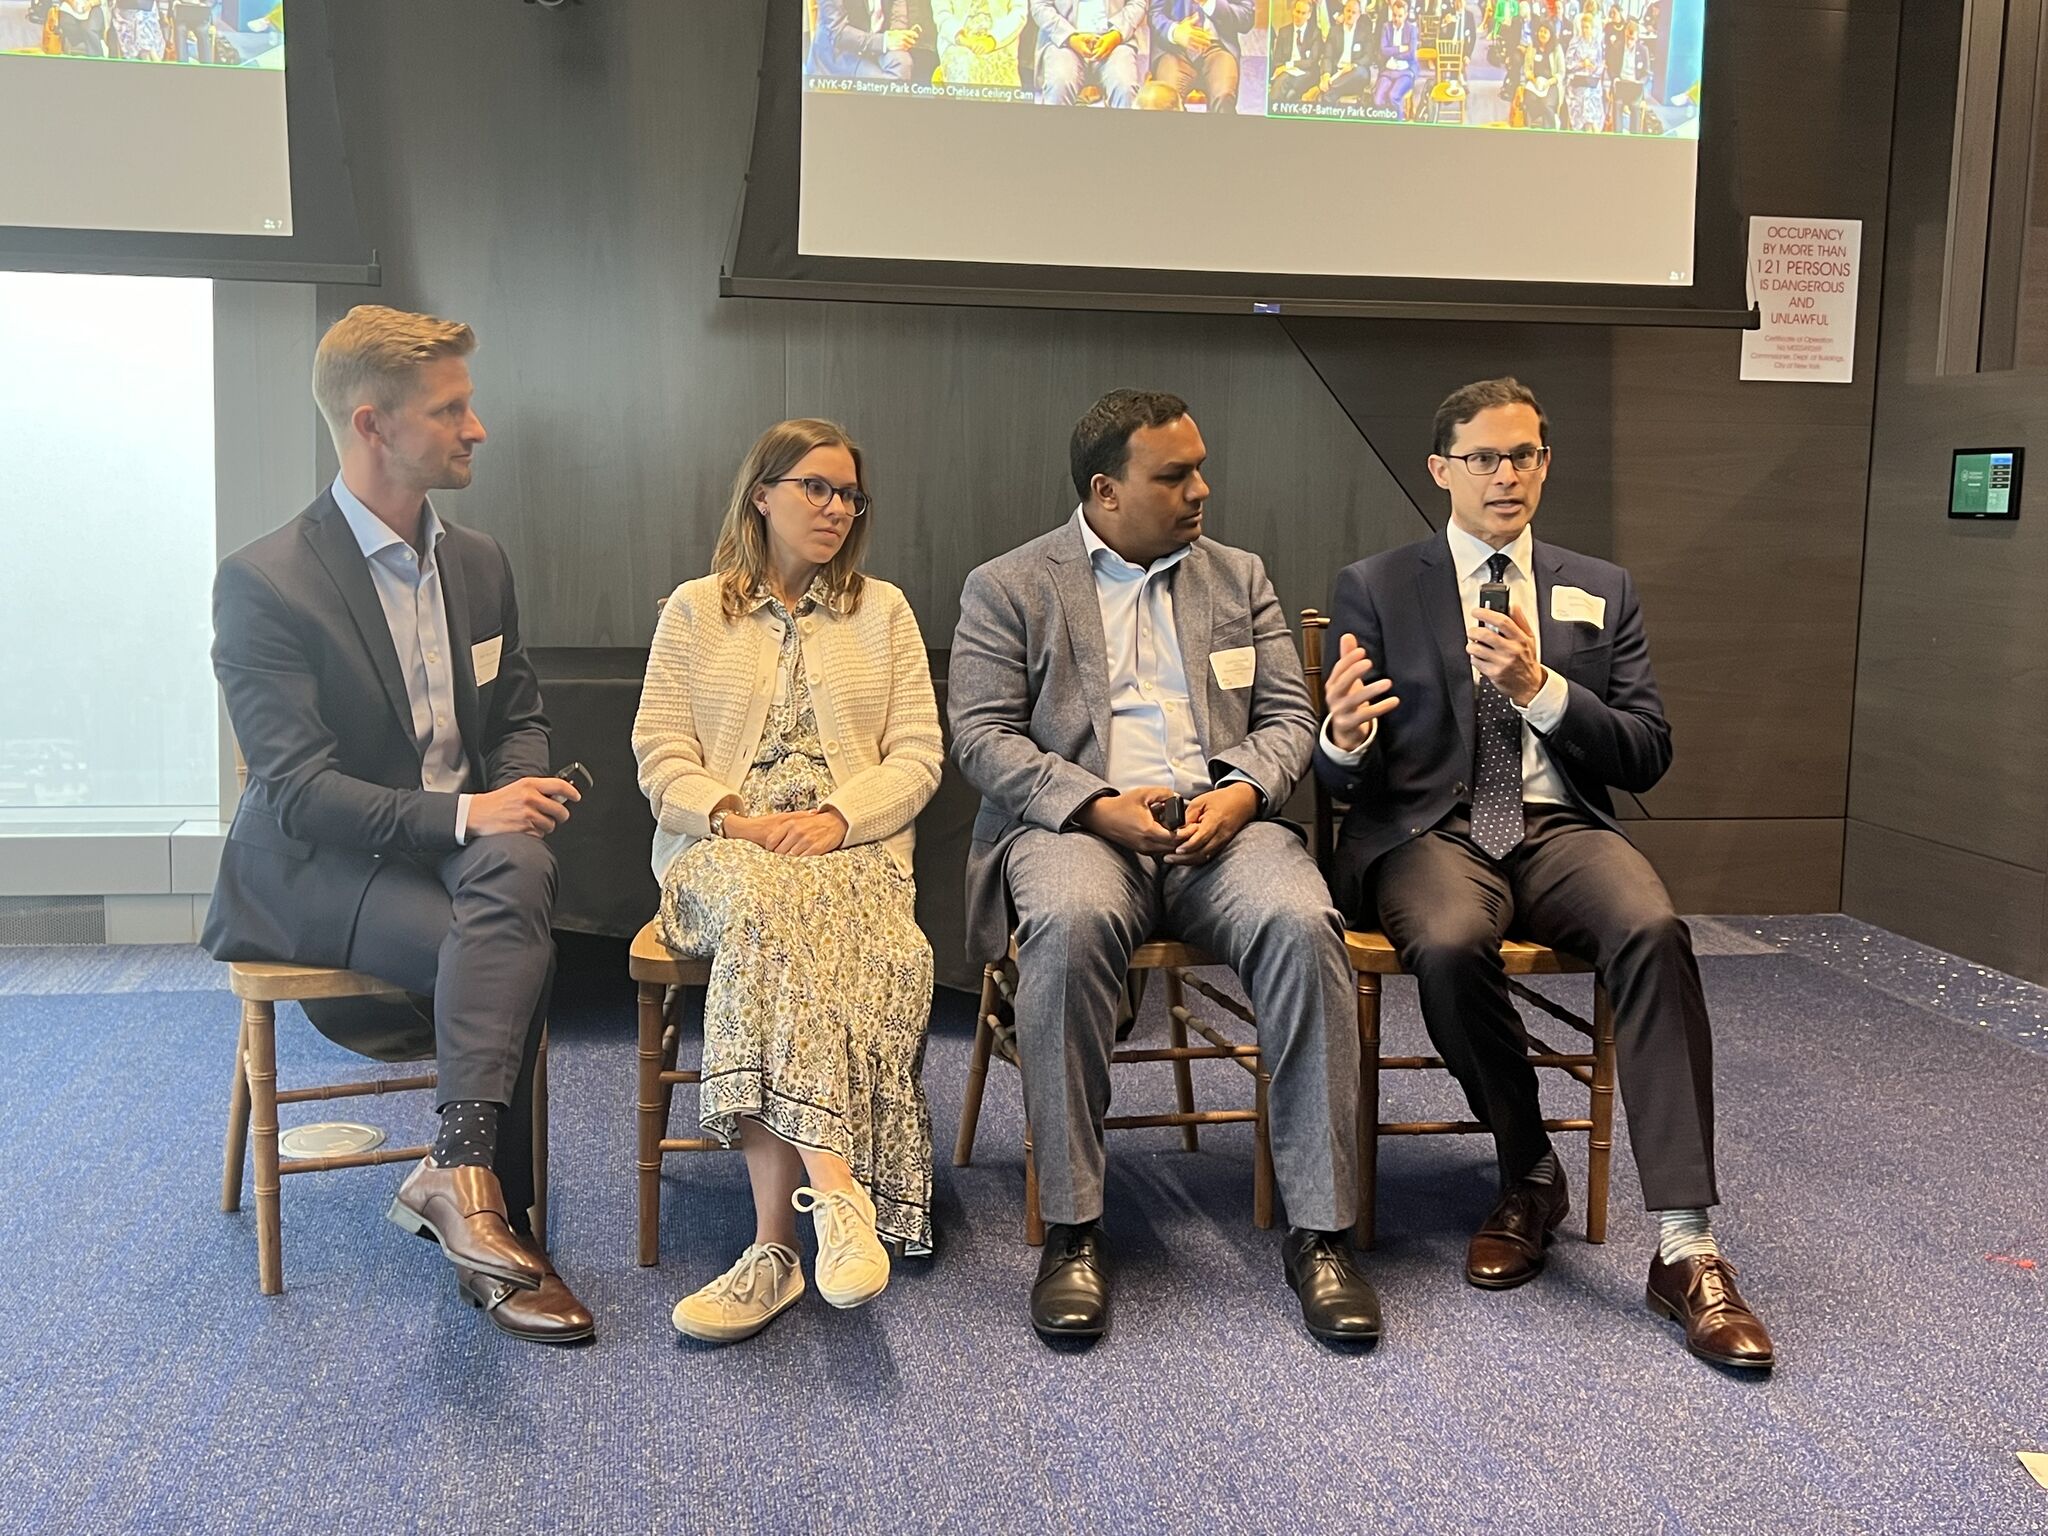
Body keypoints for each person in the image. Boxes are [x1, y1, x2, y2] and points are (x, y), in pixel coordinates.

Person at [1313, 378, 1775, 1371]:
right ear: (1440, 470)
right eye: (1482, 457)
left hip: (1555, 824)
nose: (1505, 475)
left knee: (1652, 929)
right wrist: (1340, 741)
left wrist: (1543, 690)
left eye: (1523, 454)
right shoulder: (1377, 583)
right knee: (1444, 941)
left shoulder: (1596, 587)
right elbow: (1335, 768)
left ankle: (1685, 1247)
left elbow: (1645, 754)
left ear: (1544, 465)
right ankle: (1526, 1168)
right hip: (1428, 830)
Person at [949, 389, 1379, 1349]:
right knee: (1064, 929)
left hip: (1219, 826)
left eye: (1200, 468)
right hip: (1079, 825)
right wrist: (1098, 805)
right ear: (1105, 491)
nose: (1201, 490)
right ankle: (1073, 1229)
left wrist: (1242, 793)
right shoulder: (1011, 584)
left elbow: (1287, 720)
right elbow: (980, 739)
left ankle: (1321, 1232)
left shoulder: (1240, 577)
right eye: (1174, 475)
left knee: (1306, 926)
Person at [203, 306, 593, 1345]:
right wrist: (476, 814)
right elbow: (296, 791)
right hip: (319, 863)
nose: (479, 429)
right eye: (453, 409)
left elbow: (516, 715)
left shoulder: (477, 562)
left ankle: (460, 1186)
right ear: (372, 425)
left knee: (516, 879)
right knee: (510, 946)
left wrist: (514, 804)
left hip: (457, 856)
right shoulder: (265, 581)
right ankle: (492, 1219)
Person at [634, 420, 944, 1344]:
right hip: (720, 850)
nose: (838, 509)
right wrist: (738, 817)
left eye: (851, 495)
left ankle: (772, 1255)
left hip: (851, 851)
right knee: (770, 906)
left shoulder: (883, 611)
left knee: (793, 926)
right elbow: (660, 754)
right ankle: (837, 1192)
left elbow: (920, 755)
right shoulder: (694, 610)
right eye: (817, 488)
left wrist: (839, 820)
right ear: (761, 494)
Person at [1031, 0, 1145, 107]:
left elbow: (1137, 2)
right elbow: (1040, 6)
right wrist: (1070, 37)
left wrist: (1116, 34)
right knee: (1059, 85)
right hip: (1064, 39)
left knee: (1124, 87)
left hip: (1115, 40)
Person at [1144, 0, 1251, 113]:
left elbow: (1246, 16)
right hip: (1174, 49)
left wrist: (1209, 3)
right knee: (1165, 101)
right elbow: (1154, 14)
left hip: (1217, 47)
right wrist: (1175, 32)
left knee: (1224, 98)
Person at [811, 0, 940, 82]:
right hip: (843, 51)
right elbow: (837, 33)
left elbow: (898, 3)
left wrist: (897, 33)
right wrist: (884, 42)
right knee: (889, 83)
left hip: (881, 38)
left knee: (903, 64)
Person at [933, 0, 1027, 87]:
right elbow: (942, 14)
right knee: (966, 67)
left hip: (1000, 40)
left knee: (1004, 77)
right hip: (958, 42)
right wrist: (965, 40)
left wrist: (992, 40)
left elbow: (1019, 13)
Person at [1322, 0, 1378, 104]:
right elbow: (1327, 56)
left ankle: (1330, 88)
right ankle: (1330, 94)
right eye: (1348, 11)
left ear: (1359, 15)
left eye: (1354, 12)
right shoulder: (1334, 31)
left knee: (1361, 72)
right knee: (1330, 92)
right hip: (1338, 73)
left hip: (1355, 73)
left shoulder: (1365, 31)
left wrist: (1353, 65)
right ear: (1343, 11)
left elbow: (1368, 56)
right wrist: (1326, 74)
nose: (1350, 15)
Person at [1267, 0, 1322, 106]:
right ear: (1293, 11)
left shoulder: (1315, 33)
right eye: (1297, 12)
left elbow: (1311, 62)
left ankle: (1271, 108)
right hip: (1285, 73)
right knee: (1287, 91)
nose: (1299, 16)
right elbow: (1277, 61)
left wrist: (1289, 65)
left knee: (1284, 81)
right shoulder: (1284, 32)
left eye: (1303, 13)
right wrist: (1283, 68)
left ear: (1309, 15)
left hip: (1307, 74)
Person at [1373, 0, 1421, 113]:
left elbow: (1411, 54)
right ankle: (1384, 122)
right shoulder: (1386, 27)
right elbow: (1383, 50)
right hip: (1388, 70)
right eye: (1394, 15)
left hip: (1406, 71)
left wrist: (1393, 53)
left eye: (1400, 16)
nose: (1396, 19)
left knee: (1393, 96)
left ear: (1406, 15)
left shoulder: (1412, 29)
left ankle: (1396, 125)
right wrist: (1400, 48)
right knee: (1377, 99)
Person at [1563, 7, 1605, 129]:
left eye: (1587, 27)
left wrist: (1593, 68)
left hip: (1592, 79)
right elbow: (1568, 64)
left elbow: (1600, 63)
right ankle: (1586, 128)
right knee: (1585, 95)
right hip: (1576, 80)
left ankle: (1593, 128)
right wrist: (1581, 64)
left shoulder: (1597, 44)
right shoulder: (1575, 42)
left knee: (1593, 94)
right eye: (1582, 27)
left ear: (1592, 28)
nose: (1584, 30)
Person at [1521, 17, 1561, 127]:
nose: (1542, 34)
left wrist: (1549, 82)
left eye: (1545, 32)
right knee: (1529, 102)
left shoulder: (1557, 49)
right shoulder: (1532, 47)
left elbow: (1561, 72)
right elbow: (1527, 68)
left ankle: (1549, 131)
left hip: (1551, 84)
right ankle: (1529, 130)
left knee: (1546, 104)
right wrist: (1533, 79)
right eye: (1540, 31)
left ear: (1550, 34)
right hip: (1534, 83)